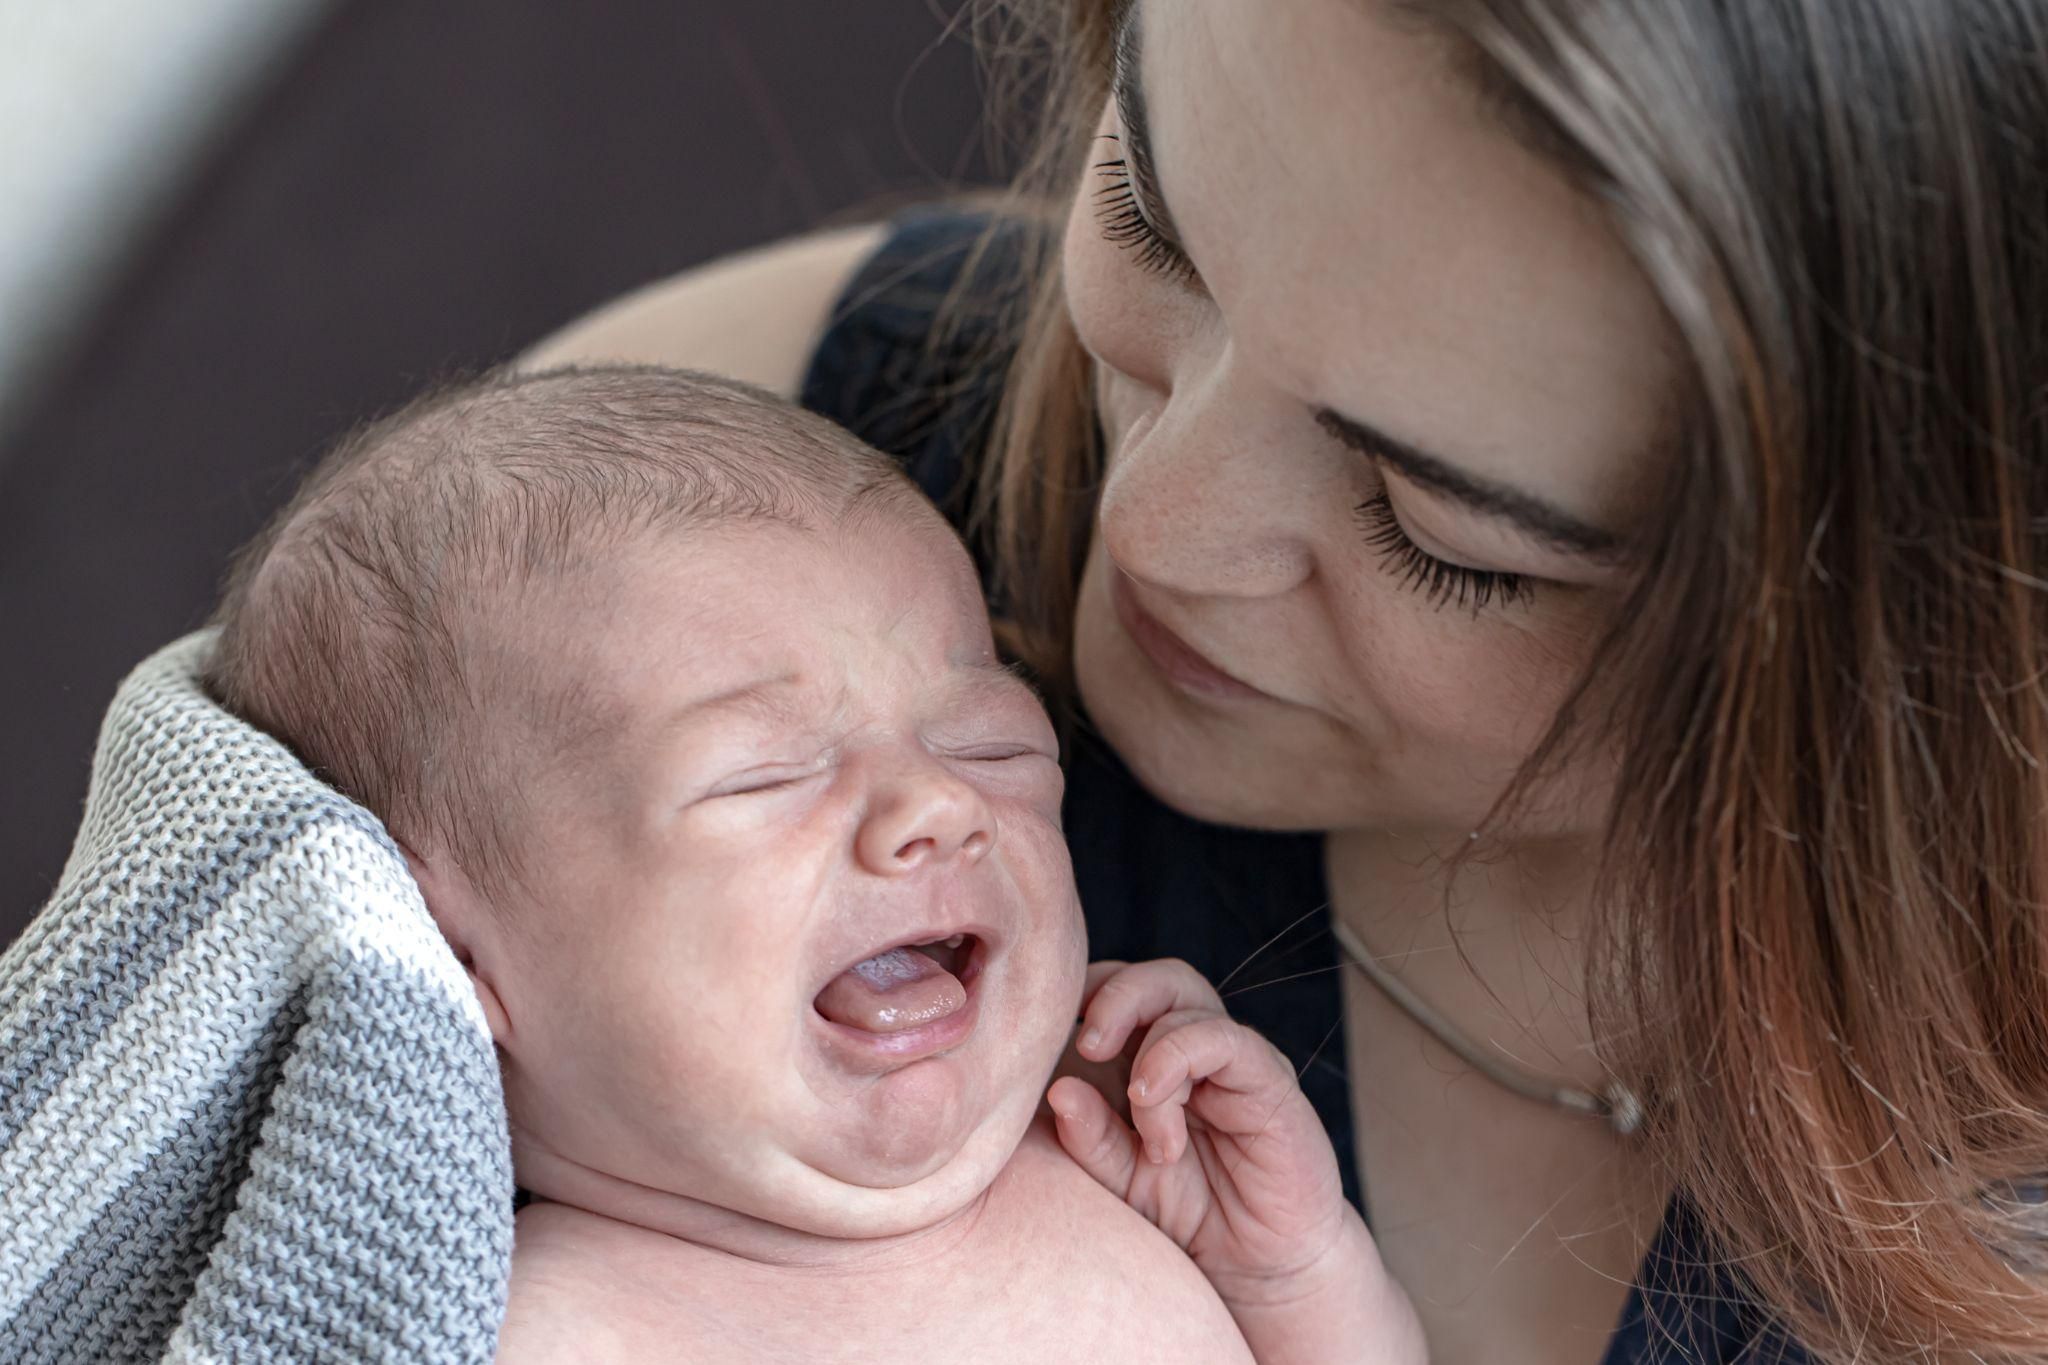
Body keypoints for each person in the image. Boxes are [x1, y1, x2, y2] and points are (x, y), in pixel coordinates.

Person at [525, 1, 2048, 1360]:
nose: (1149, 532)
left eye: (1445, 536)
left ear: (1915, 637)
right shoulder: (667, 531)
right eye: (1147, 215)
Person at [202, 365, 1426, 1363]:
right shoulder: (542, 1335)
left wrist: (1294, 1272)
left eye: (987, 740)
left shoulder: (1114, 1184)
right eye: (765, 774)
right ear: (449, 956)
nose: (938, 805)